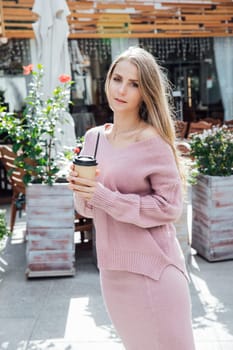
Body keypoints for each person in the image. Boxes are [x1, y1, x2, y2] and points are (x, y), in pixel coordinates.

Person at [67, 46, 196, 350]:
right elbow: (86, 209)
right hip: (113, 273)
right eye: (117, 78)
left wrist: (105, 197)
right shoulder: (93, 138)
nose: (122, 89)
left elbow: (169, 208)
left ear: (145, 92)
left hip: (155, 272)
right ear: (107, 80)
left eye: (134, 84)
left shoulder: (153, 143)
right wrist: (81, 189)